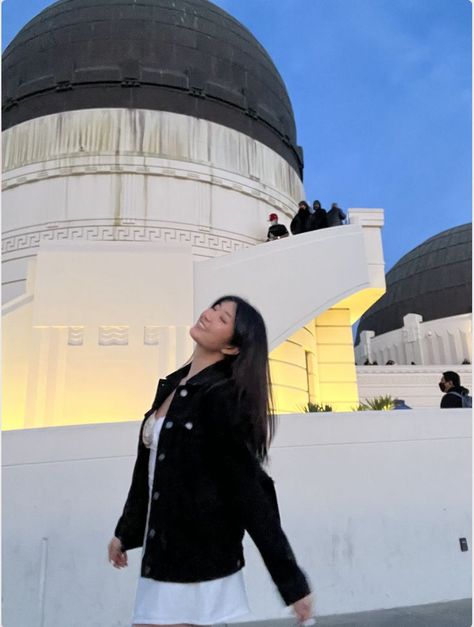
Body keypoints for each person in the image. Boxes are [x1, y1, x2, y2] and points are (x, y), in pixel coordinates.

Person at [108, 296, 314, 627]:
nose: (209, 315)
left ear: (232, 348)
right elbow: (149, 473)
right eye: (213, 309)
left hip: (199, 558)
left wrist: (290, 581)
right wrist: (126, 533)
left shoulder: (223, 396)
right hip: (162, 553)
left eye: (222, 319)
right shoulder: (173, 385)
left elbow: (247, 488)